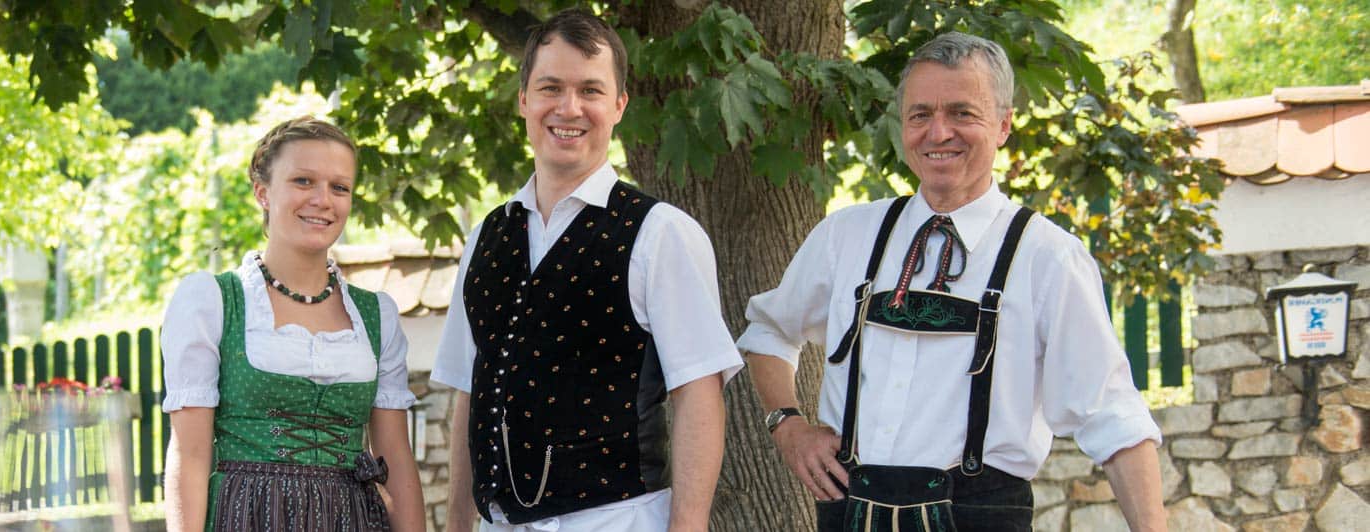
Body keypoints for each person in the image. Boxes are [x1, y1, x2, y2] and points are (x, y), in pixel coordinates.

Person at [737, 32, 1167, 531]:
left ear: (1004, 124)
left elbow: (1112, 416)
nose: (938, 133)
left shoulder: (1048, 257)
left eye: (962, 113)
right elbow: (768, 331)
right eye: (920, 115)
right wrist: (787, 426)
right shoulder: (846, 235)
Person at [431, 9, 741, 532]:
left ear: (619, 104)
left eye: (591, 91)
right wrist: (458, 525)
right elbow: (470, 387)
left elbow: (698, 394)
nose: (569, 108)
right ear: (524, 99)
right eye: (550, 87)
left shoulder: (660, 232)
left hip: (619, 520)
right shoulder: (488, 235)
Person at [159, 116, 425, 532]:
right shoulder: (212, 302)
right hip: (244, 519)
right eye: (303, 181)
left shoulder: (376, 317)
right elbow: (190, 456)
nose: (323, 199)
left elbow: (397, 459)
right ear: (263, 192)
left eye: (339, 187)